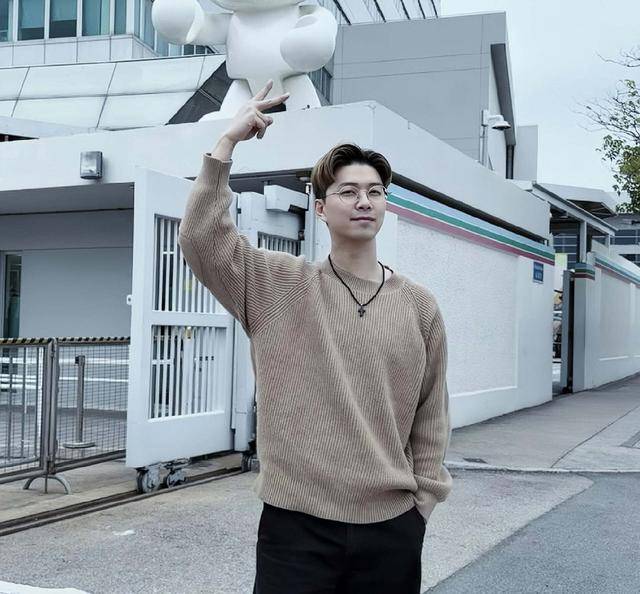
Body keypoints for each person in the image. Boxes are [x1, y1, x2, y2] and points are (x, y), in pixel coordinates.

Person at [177, 79, 452, 594]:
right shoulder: (277, 285)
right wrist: (226, 143)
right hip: (295, 529)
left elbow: (431, 412)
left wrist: (424, 503)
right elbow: (201, 239)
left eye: (375, 192)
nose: (364, 201)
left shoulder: (419, 305)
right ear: (321, 208)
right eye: (348, 191)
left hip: (392, 529)